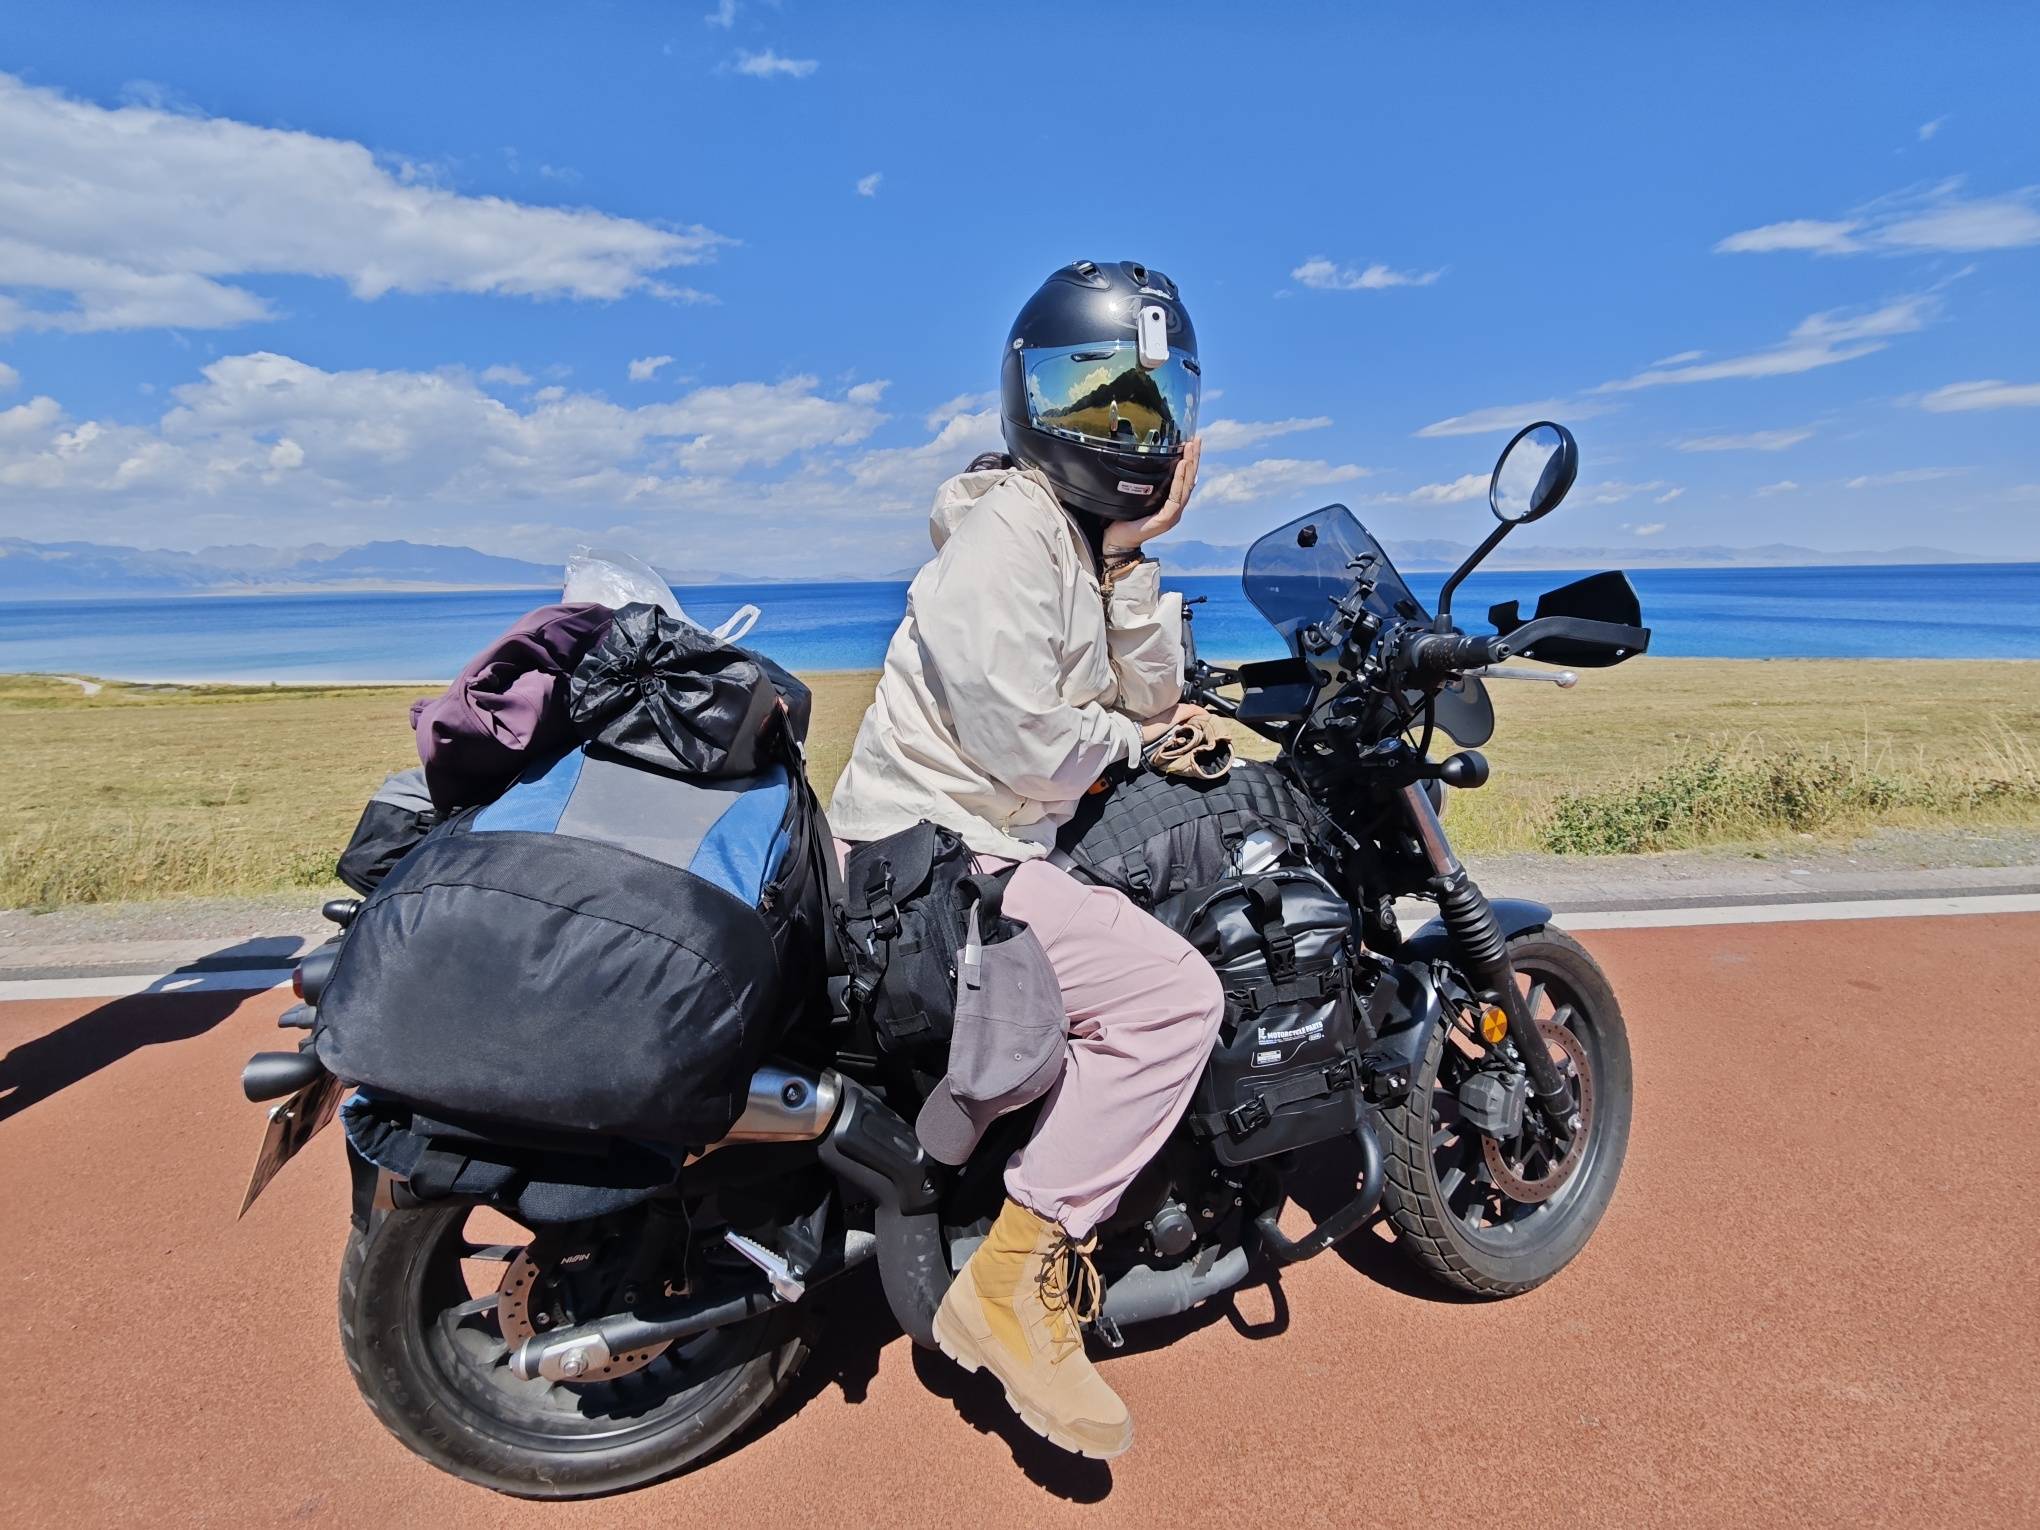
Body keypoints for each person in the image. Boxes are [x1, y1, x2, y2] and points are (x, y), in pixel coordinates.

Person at [829, 260, 1226, 1460]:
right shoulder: (1008, 531)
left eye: (1149, 404)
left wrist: (1131, 557)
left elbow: (1144, 691)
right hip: (938, 866)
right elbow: (1033, 745)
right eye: (1095, 395)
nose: (1126, 427)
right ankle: (1014, 1275)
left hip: (973, 846)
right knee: (1176, 1001)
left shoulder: (1071, 539)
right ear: (1029, 395)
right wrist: (1142, 741)